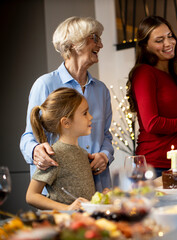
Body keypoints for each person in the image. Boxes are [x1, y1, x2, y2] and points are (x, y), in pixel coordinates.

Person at [20, 16, 114, 192]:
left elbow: (106, 136)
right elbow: (28, 136)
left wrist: (105, 155)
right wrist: (35, 151)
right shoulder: (45, 84)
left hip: (97, 188)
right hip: (59, 192)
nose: (100, 45)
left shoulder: (101, 90)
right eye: (95, 38)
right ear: (73, 43)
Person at [126, 16, 177, 177]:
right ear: (145, 46)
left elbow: (175, 124)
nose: (168, 43)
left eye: (170, 36)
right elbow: (152, 124)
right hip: (152, 165)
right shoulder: (144, 73)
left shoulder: (175, 74)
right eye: (159, 40)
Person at [26, 88, 95, 210]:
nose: (91, 117)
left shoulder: (84, 154)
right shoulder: (54, 155)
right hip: (63, 225)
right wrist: (67, 208)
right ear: (66, 123)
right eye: (85, 113)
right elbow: (31, 196)